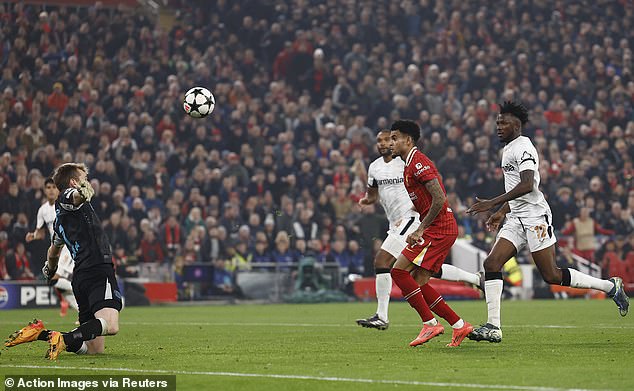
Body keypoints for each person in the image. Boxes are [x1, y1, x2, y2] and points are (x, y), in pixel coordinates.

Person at [466, 101, 629, 343]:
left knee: (551, 275)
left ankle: (610, 287)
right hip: (516, 218)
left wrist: (492, 203)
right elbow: (515, 188)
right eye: (497, 122)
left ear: (517, 125)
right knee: (491, 263)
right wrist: (502, 211)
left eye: (504, 122)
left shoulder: (524, 147)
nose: (498, 126)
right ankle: (494, 326)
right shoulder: (508, 148)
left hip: (535, 218)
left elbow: (527, 184)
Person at [356, 129, 482, 330]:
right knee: (420, 272)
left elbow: (432, 188)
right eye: (379, 140)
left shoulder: (405, 162)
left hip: (411, 221)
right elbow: (372, 195)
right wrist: (365, 200)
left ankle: (384, 315)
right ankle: (474, 280)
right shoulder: (374, 168)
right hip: (394, 223)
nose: (383, 144)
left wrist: (418, 212)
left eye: (388, 139)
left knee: (384, 262)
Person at [5, 163, 122, 360]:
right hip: (98, 269)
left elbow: (53, 252)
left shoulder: (59, 221)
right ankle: (63, 340)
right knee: (111, 325)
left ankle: (39, 333)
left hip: (81, 277)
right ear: (73, 181)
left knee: (94, 349)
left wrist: (49, 270)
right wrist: (83, 192)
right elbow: (76, 197)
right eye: (84, 178)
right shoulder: (68, 195)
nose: (87, 181)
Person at [387, 120, 473, 347]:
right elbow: (428, 199)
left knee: (398, 271)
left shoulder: (418, 163)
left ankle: (430, 323)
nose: (390, 143)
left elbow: (440, 198)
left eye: (394, 138)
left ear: (408, 140)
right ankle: (459, 325)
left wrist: (421, 228)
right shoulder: (408, 165)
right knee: (419, 282)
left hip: (439, 228)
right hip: (440, 227)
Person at [25, 177, 78, 317]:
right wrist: (33, 236)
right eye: (48, 188)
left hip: (68, 246)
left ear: (58, 189)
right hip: (55, 250)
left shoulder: (64, 205)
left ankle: (83, 293)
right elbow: (40, 232)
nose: (51, 190)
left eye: (54, 187)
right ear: (44, 190)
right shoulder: (42, 210)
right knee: (57, 285)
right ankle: (83, 311)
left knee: (54, 279)